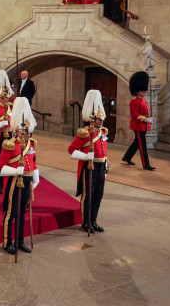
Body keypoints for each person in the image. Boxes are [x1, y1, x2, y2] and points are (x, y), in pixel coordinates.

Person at [0, 97, 39, 256]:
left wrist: (35, 176)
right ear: (17, 130)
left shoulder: (31, 144)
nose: (27, 134)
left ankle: (20, 240)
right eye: (24, 131)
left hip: (27, 181)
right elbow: (1, 167)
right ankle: (7, 242)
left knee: (22, 212)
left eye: (28, 131)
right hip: (14, 182)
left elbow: (33, 160)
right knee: (11, 212)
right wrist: (15, 171)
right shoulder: (10, 144)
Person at [68, 90, 109, 233]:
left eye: (102, 119)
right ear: (93, 119)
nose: (101, 121)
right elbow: (71, 150)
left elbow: (104, 150)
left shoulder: (102, 132)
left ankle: (94, 220)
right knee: (88, 195)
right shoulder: (85, 133)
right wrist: (86, 157)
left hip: (101, 166)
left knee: (99, 194)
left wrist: (106, 164)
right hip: (89, 167)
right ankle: (86, 222)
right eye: (99, 119)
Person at [122, 71, 156, 170]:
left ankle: (127, 157)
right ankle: (146, 164)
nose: (144, 92)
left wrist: (148, 119)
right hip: (138, 125)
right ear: (137, 91)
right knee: (142, 145)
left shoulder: (143, 100)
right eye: (142, 90)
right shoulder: (134, 102)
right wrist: (146, 119)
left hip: (143, 125)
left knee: (137, 143)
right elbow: (135, 115)